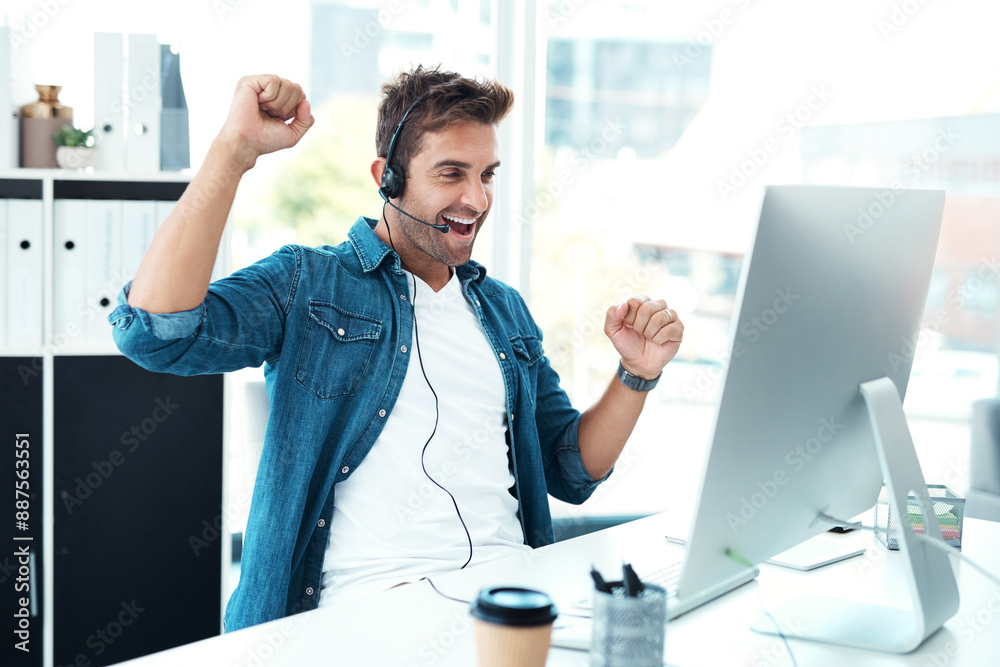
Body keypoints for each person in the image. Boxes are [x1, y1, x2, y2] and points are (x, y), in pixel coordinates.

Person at [109, 66, 684, 632]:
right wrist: (233, 153)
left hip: (511, 601)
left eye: (488, 174)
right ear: (387, 177)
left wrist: (636, 374)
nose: (476, 198)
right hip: (368, 612)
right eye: (451, 173)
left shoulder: (503, 310)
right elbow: (156, 335)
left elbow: (571, 470)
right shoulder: (309, 283)